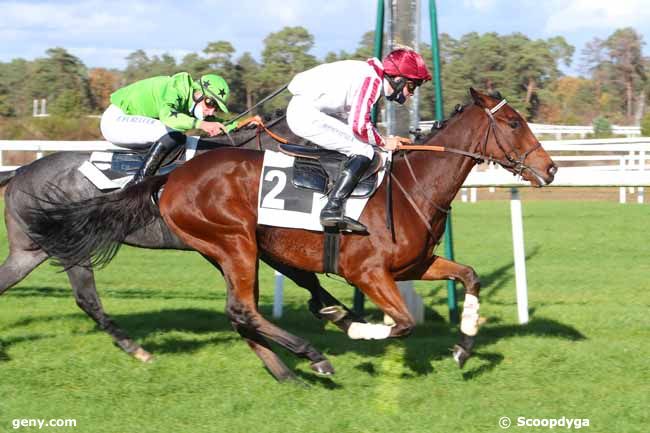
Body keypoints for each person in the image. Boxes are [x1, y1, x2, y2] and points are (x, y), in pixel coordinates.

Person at [286, 48, 432, 232]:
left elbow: (357, 124)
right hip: (307, 115)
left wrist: (382, 139)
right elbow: (359, 126)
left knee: (364, 145)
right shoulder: (372, 80)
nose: (411, 93)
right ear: (397, 79)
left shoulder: (370, 74)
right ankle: (332, 208)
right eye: (411, 86)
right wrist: (384, 142)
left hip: (310, 112)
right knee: (363, 150)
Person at [100, 72, 235, 184]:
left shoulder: (190, 99)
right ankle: (137, 185)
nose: (211, 111)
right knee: (169, 133)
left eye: (216, 108)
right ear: (198, 93)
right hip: (115, 121)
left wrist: (241, 124)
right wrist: (201, 125)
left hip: (127, 121)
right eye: (210, 103)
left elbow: (217, 123)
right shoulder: (175, 90)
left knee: (174, 134)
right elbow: (168, 117)